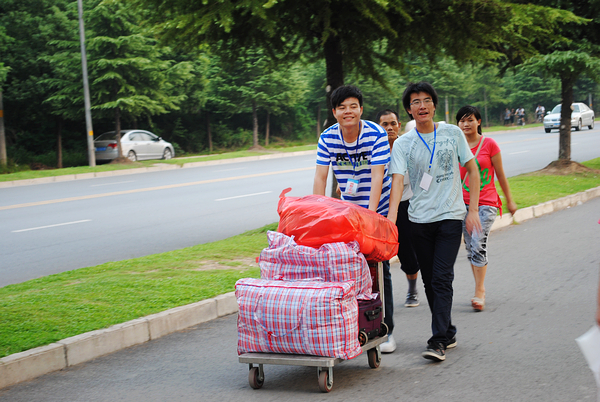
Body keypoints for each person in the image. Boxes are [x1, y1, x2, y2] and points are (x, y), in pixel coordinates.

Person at [387, 81, 481, 363]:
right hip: (418, 220)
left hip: (450, 217)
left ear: (434, 105)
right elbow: (398, 182)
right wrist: (392, 219)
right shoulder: (403, 143)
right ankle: (448, 331)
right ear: (409, 110)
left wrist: (472, 210)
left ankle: (438, 340)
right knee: (430, 280)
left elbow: (472, 170)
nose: (422, 106)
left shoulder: (452, 133)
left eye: (427, 100)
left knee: (441, 277)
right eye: (415, 102)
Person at [313, 85, 395, 347]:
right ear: (334, 112)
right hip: (348, 211)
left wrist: (370, 217)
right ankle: (354, 326)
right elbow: (321, 177)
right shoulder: (327, 137)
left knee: (379, 266)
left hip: (376, 207)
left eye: (353, 106)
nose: (348, 112)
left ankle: (386, 329)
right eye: (342, 107)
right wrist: (317, 214)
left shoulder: (376, 134)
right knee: (348, 266)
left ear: (361, 109)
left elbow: (378, 176)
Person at [456, 105, 518, 312]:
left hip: (487, 202)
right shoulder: (456, 146)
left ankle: (479, 290)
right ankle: (478, 287)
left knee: (477, 242)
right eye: (462, 121)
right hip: (463, 204)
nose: (466, 124)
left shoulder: (489, 144)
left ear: (479, 122)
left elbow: (500, 175)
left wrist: (510, 200)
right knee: (470, 247)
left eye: (470, 120)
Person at [376, 110, 421, 354]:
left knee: (407, 253)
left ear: (399, 125)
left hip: (406, 204)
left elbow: (422, 172)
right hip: (383, 208)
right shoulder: (375, 149)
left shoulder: (407, 146)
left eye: (393, 123)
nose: (389, 128)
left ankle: (412, 287)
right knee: (381, 260)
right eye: (384, 124)